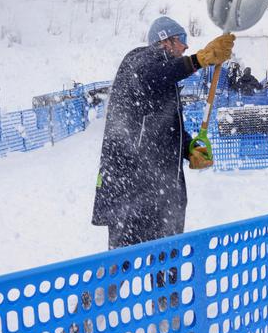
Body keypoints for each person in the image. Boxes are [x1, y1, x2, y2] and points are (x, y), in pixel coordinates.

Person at [92, 16, 235, 249]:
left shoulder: (167, 79)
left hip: (161, 188)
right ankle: (101, 287)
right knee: (121, 261)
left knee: (166, 259)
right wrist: (198, 60)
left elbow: (169, 129)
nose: (186, 46)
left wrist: (190, 149)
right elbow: (152, 75)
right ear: (165, 41)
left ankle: (165, 286)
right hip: (132, 186)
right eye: (182, 40)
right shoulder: (138, 61)